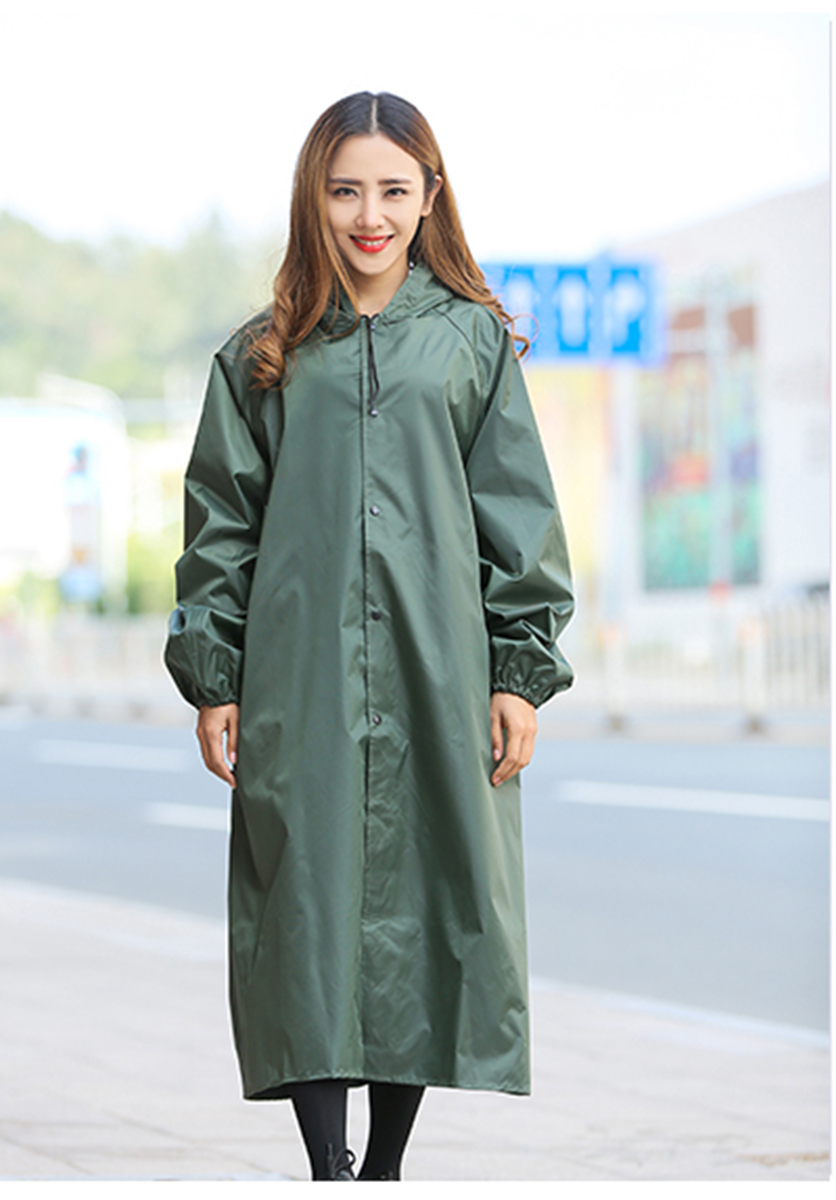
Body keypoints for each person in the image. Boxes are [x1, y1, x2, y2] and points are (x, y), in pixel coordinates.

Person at [164, 90, 574, 1182]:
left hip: (441, 673)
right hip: (295, 675)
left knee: (424, 902)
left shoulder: (472, 344)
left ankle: (382, 1169)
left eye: (393, 190)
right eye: (345, 190)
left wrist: (519, 671)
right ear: (315, 197)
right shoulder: (261, 356)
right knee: (302, 904)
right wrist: (214, 676)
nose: (369, 215)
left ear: (429, 195)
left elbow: (519, 517)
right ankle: (326, 1169)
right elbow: (220, 527)